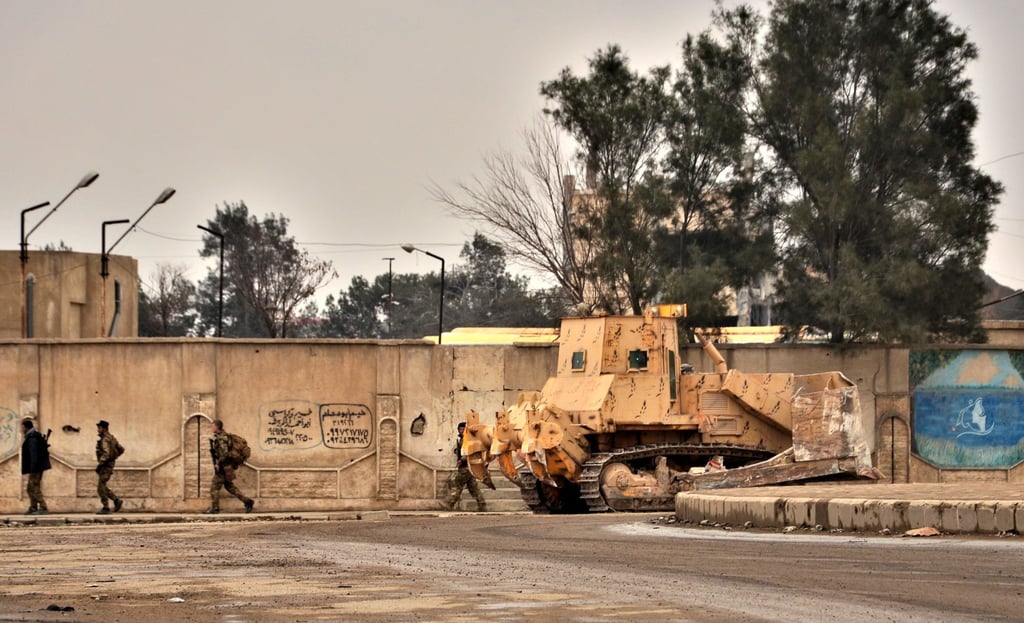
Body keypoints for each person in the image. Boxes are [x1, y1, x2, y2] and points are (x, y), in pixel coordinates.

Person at [205, 419, 254, 514]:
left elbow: (224, 454)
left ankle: (215, 508)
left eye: (213, 426)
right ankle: (247, 501)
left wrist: (218, 463)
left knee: (214, 487)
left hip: (224, 466)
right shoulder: (225, 436)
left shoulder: (221, 439)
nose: (212, 428)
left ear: (216, 427)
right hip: (228, 466)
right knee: (230, 487)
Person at [445, 421, 487, 512]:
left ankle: (450, 503)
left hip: (466, 466)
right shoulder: (463, 439)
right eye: (460, 429)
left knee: (456, 482)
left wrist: (461, 460)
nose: (461, 430)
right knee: (473, 488)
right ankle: (482, 504)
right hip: (469, 466)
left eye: (463, 429)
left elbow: (468, 452)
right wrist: (457, 451)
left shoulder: (467, 439)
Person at [21, 419, 51, 515]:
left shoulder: (32, 438)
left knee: (34, 487)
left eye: (22, 427)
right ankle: (33, 507)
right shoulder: (32, 436)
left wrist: (33, 468)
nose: (21, 429)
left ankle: (43, 507)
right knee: (30, 487)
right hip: (36, 467)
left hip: (36, 467)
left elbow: (34, 454)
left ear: (26, 427)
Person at [95, 420, 124, 514]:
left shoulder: (105, 439)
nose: (98, 430)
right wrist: (114, 457)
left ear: (104, 429)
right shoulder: (112, 438)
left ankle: (106, 507)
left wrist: (101, 463)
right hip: (109, 465)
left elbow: (106, 454)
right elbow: (121, 449)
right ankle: (116, 500)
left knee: (100, 487)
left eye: (99, 428)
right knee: (102, 486)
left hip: (105, 466)